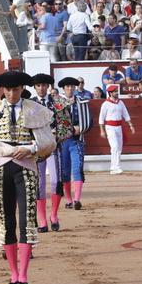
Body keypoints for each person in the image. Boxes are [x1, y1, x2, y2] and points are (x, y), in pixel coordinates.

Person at [0, 71, 56, 284]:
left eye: (15, 89)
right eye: (7, 90)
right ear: (2, 90)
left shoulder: (35, 110)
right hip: (1, 170)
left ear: (22, 89)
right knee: (6, 220)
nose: (10, 94)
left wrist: (30, 148)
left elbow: (48, 142)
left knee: (27, 220)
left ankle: (24, 275)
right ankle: (13, 273)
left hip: (26, 169)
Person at [29, 73, 72, 233]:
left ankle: (53, 215)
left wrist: (55, 136)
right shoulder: (29, 105)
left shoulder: (58, 103)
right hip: (37, 149)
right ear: (34, 87)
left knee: (55, 181)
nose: (41, 88)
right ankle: (42, 219)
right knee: (39, 184)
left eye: (44, 85)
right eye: (38, 85)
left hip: (54, 147)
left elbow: (67, 126)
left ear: (48, 87)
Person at [57, 77, 92, 210]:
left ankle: (77, 199)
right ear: (63, 88)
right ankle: (69, 200)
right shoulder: (57, 103)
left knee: (77, 169)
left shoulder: (82, 102)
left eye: (72, 86)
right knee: (65, 172)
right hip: (63, 142)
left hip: (77, 140)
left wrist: (81, 128)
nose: (70, 89)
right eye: (67, 86)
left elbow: (90, 121)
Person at [98, 84, 135, 174]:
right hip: (110, 127)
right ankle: (115, 167)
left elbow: (125, 114)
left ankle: (114, 167)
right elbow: (101, 118)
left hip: (119, 127)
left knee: (119, 147)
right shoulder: (105, 104)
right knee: (114, 146)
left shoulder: (120, 102)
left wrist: (131, 125)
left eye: (116, 91)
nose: (116, 93)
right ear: (110, 93)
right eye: (114, 92)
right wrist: (102, 130)